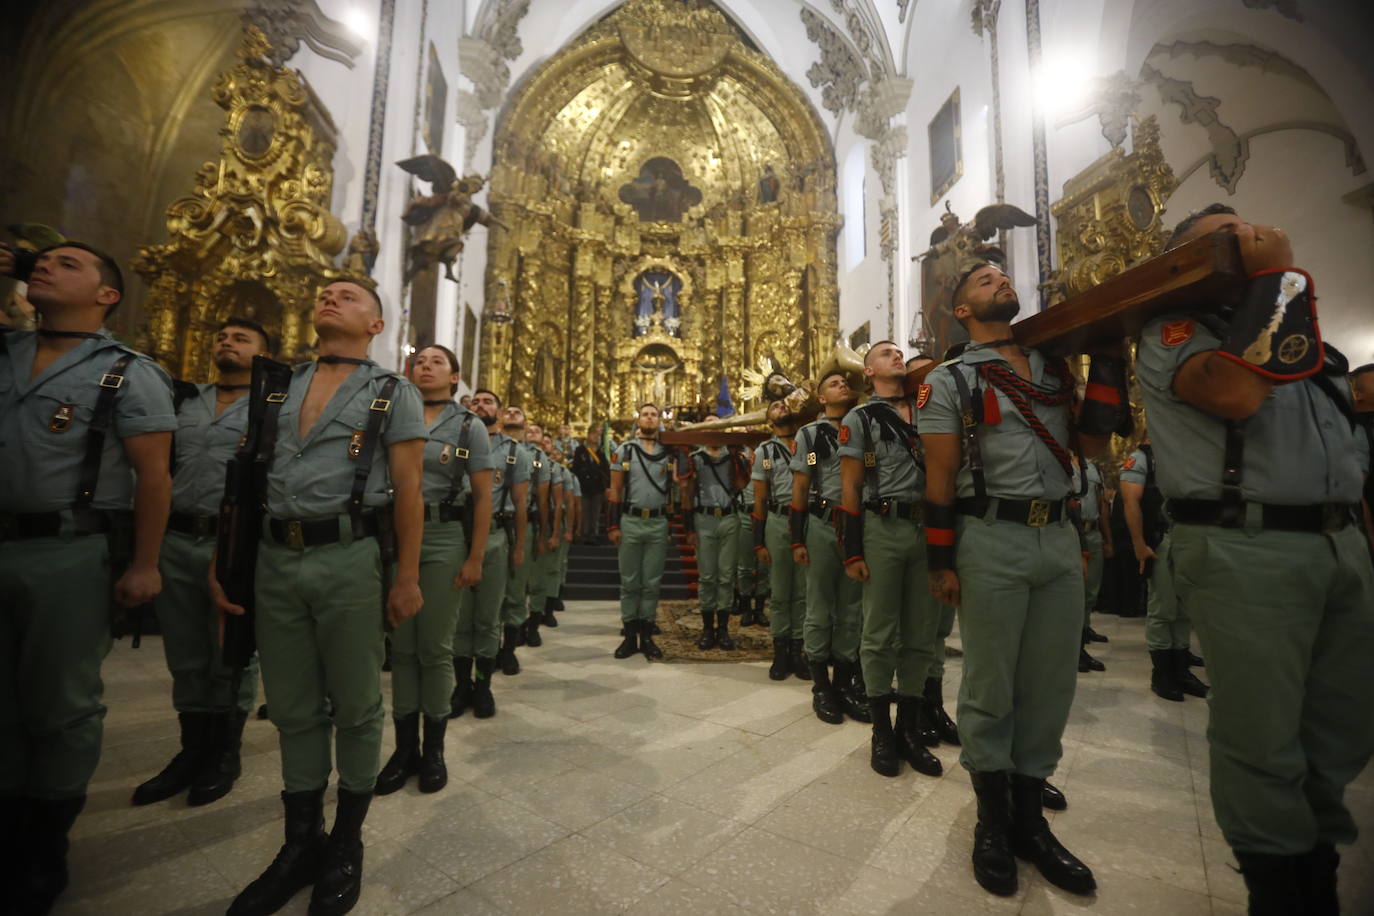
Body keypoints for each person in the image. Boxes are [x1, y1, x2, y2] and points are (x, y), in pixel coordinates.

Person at [1135, 204, 1374, 911]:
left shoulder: (1313, 348)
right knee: (1262, 736)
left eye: (1249, 232)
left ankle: (1316, 862)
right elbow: (1238, 394)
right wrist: (1279, 278)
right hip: (1248, 545)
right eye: (1226, 237)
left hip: (1337, 545)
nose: (1248, 240)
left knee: (1342, 723)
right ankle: (1280, 889)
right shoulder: (1174, 334)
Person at [210, 280, 427, 916]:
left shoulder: (392, 391)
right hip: (276, 558)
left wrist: (407, 576)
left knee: (357, 705)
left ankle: (345, 842)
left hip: (348, 557)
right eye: (325, 293)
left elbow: (410, 490)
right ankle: (298, 842)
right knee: (294, 707)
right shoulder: (277, 385)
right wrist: (230, 561)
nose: (330, 298)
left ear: (376, 325)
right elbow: (248, 480)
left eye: (348, 297)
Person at [920, 262, 1128, 898]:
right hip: (991, 537)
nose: (998, 279)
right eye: (983, 280)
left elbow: (1090, 449)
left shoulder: (1052, 371)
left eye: (1001, 274)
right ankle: (991, 819)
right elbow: (939, 476)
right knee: (991, 682)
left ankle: (1029, 818)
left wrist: (1109, 358)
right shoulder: (949, 379)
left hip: (1057, 538)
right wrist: (941, 559)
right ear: (962, 311)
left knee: (1050, 683)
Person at [1, 241, 175, 916]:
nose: (45, 266)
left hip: (67, 551)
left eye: (67, 263)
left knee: (59, 701)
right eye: (39, 260)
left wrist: (144, 562)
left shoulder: (127, 374)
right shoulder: (7, 351)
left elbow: (153, 477)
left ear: (107, 296)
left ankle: (45, 843)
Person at [133, 318, 270, 811]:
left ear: (262, 354)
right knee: (186, 650)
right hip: (176, 535)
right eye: (222, 336)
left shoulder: (269, 408)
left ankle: (224, 753)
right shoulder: (183, 401)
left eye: (241, 338)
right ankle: (191, 750)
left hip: (231, 541)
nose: (227, 343)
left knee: (229, 649)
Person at [375, 345, 492, 795]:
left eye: (436, 362)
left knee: (436, 647)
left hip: (443, 536)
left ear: (454, 377)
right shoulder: (388, 414)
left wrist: (475, 555)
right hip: (394, 537)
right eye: (419, 361)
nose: (425, 366)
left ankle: (434, 749)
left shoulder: (468, 426)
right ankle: (404, 748)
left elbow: (482, 497)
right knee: (401, 647)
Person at [837, 342, 942, 778]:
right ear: (868, 369)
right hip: (883, 528)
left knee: (922, 632)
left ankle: (909, 729)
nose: (897, 356)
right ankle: (882, 730)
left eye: (900, 352)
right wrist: (852, 549)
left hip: (928, 530)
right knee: (879, 631)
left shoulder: (932, 410)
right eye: (886, 353)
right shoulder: (858, 419)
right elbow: (850, 487)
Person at [788, 369, 868, 724]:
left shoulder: (863, 427)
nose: (842, 386)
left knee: (852, 610)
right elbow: (801, 487)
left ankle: (844, 684)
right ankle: (821, 687)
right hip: (822, 526)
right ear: (821, 398)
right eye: (833, 384)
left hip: (858, 527)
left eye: (844, 383)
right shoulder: (810, 436)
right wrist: (796, 536)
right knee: (819, 606)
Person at [452, 390, 529, 718]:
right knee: (459, 617)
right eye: (476, 401)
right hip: (456, 536)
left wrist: (520, 546)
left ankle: (482, 685)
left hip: (496, 538)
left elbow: (522, 503)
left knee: (486, 617)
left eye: (488, 402)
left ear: (497, 411)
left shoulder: (514, 452)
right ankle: (460, 686)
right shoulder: (454, 441)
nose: (481, 405)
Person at [1119, 443, 1207, 701]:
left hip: (1188, 539)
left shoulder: (1186, 456)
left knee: (1183, 610)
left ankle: (1181, 671)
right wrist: (1139, 544)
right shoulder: (1143, 459)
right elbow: (1130, 500)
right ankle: (1162, 675)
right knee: (1163, 608)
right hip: (1160, 542)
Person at [608, 403, 685, 659]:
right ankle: (630, 635)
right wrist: (613, 525)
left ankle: (647, 634)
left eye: (654, 414)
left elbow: (677, 487)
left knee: (652, 582)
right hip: (631, 521)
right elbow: (615, 490)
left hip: (657, 522)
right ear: (638, 419)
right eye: (645, 414)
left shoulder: (668, 453)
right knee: (630, 581)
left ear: (659, 421)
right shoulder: (625, 451)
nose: (650, 418)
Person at [752, 400, 808, 679]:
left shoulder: (807, 442)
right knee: (781, 590)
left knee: (803, 590)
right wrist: (758, 541)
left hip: (807, 521)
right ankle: (780, 651)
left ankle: (799, 650)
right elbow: (760, 498)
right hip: (777, 520)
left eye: (785, 404)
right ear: (769, 420)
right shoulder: (764, 451)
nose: (782, 407)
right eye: (775, 406)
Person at [495, 406, 546, 675]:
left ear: (526, 423)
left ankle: (509, 650)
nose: (513, 414)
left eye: (519, 412)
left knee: (515, 591)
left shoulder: (534, 456)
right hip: (490, 525)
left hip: (518, 525)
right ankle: (489, 647)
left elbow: (539, 497)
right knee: (490, 595)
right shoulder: (486, 446)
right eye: (509, 410)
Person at [687, 441, 743, 651]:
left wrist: (737, 457)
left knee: (727, 575)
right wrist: (689, 528)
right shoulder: (696, 458)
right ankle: (708, 628)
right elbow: (688, 493)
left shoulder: (733, 456)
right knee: (708, 576)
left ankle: (724, 629)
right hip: (705, 518)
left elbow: (741, 484)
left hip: (729, 518)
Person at [1070, 454, 1112, 675]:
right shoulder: (1061, 462)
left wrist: (1107, 539)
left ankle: (1083, 638)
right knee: (1073, 595)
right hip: (1071, 534)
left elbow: (1101, 504)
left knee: (1090, 593)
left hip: (1092, 531)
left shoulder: (1092, 467)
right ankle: (1073, 650)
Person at [523, 425, 563, 647]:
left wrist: (553, 532)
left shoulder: (549, 464)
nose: (532, 433)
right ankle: (516, 625)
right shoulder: (512, 453)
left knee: (538, 578)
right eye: (529, 430)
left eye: (537, 431)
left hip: (536, 522)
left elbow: (555, 503)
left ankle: (534, 623)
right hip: (510, 520)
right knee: (515, 584)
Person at [734, 443, 769, 626]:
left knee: (764, 565)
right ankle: (746, 607)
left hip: (766, 513)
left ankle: (759, 609)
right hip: (746, 513)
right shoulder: (741, 456)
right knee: (745, 565)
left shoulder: (771, 451)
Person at [572, 424, 609, 543]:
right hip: (584, 485)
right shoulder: (580, 450)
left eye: (599, 434)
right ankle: (584, 534)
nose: (597, 437)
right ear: (588, 435)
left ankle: (594, 534)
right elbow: (576, 468)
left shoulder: (601, 451)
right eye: (594, 434)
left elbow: (605, 468)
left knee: (595, 512)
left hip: (597, 486)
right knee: (584, 511)